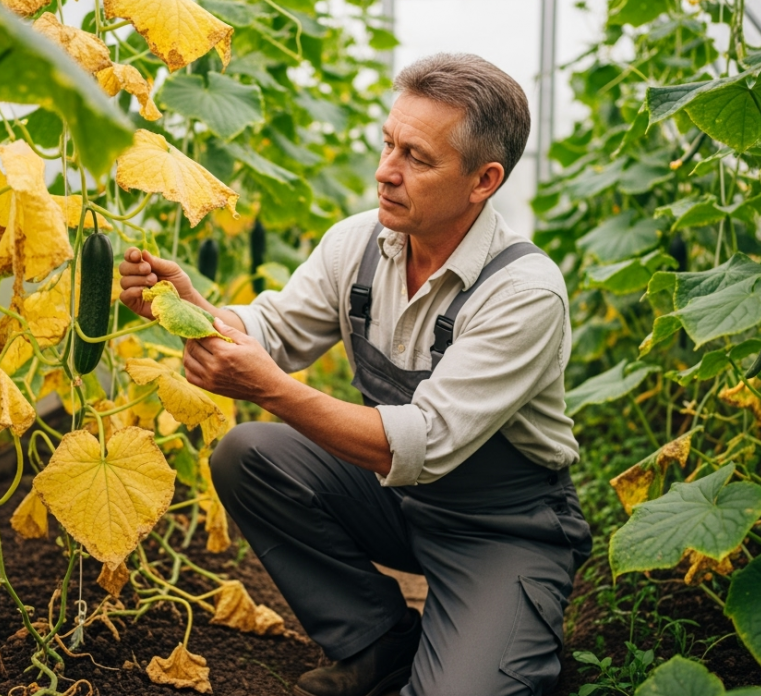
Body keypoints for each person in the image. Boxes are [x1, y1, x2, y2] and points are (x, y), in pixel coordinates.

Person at [118, 53, 591, 696]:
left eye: (416, 159)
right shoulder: (358, 243)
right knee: (248, 455)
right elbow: (275, 331)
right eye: (388, 144)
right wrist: (189, 308)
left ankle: (497, 622)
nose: (385, 173)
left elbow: (425, 443)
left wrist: (267, 387)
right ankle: (379, 640)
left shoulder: (524, 292)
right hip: (400, 503)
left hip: (501, 529)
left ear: (484, 180)